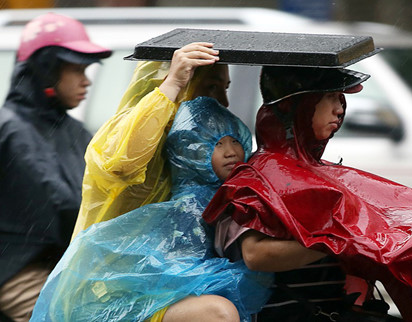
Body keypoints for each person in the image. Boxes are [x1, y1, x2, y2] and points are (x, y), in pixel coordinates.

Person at [203, 66, 412, 322]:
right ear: (298, 104)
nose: (340, 109)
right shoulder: (257, 177)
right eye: (331, 97)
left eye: (340, 98)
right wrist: (344, 241)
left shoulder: (320, 172)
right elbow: (255, 255)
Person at [31, 95, 272, 322]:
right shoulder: (189, 207)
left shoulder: (229, 194)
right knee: (220, 312)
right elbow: (171, 275)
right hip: (137, 306)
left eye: (234, 141)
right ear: (191, 150)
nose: (231, 151)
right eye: (217, 143)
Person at [0, 12, 111, 321]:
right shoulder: (10, 129)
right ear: (47, 70)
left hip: (69, 265)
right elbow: (62, 203)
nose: (86, 80)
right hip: (17, 268)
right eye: (76, 69)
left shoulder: (74, 131)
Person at [70, 42, 231, 239]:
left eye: (226, 88)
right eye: (212, 87)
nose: (224, 102)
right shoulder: (123, 128)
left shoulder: (196, 145)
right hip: (114, 266)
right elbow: (123, 164)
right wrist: (172, 84)